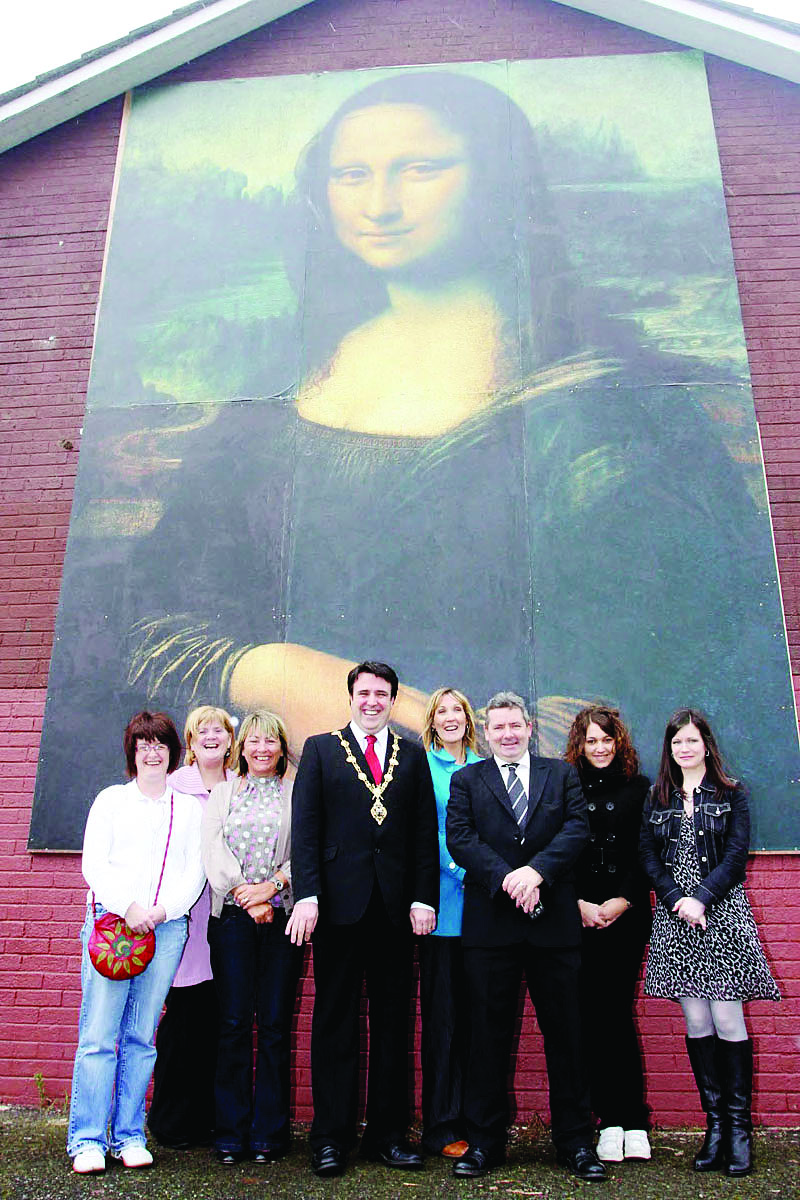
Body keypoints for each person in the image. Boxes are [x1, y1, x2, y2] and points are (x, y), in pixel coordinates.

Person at [286, 660, 439, 1178]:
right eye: (364, 693)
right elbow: (306, 830)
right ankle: (330, 1138)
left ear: (393, 700)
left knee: (393, 1023)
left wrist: (423, 899)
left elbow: (423, 833)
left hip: (395, 910)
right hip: (337, 908)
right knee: (335, 1021)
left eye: (381, 694)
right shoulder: (320, 749)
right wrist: (307, 896)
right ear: (350, 696)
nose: (372, 701)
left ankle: (387, 1136)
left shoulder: (412, 756)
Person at [446, 691, 605, 1182]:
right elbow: (461, 838)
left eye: (515, 725)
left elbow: (577, 829)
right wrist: (508, 878)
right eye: (498, 727)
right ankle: (484, 1143)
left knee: (568, 1037)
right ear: (486, 731)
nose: (508, 734)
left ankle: (576, 1143)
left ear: (529, 727)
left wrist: (536, 873)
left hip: (553, 926)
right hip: (490, 928)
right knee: (485, 1038)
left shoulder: (562, 774)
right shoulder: (466, 780)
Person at [640, 708, 779, 1177]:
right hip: (676, 916)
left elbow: (736, 857)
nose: (685, 748)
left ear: (706, 745)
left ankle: (739, 1130)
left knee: (727, 1016)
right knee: (697, 1019)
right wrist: (676, 899)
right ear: (670, 748)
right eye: (677, 741)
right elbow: (648, 855)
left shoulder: (732, 794)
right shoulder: (657, 797)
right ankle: (715, 1126)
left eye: (692, 740)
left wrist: (700, 898)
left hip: (721, 913)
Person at [67, 712, 204, 1175]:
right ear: (132, 751)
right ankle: (87, 1139)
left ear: (172, 752)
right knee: (99, 1035)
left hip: (165, 929)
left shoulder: (188, 809)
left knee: (141, 1037)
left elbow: (195, 871)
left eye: (160, 744)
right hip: (112, 926)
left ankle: (128, 1135)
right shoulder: (111, 801)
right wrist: (128, 907)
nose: (152, 752)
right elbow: (94, 864)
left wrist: (161, 912)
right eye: (143, 744)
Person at [201, 709, 302, 1164]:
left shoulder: (296, 793)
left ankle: (269, 1134)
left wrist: (273, 887)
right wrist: (246, 894)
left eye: (270, 741)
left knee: (275, 1025)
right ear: (242, 747)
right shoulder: (223, 793)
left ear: (281, 748)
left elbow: (307, 848)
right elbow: (212, 849)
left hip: (282, 920)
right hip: (232, 920)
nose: (262, 749)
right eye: (254, 741)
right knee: (234, 1023)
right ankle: (230, 1132)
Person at [564, 705, 652, 1162]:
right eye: (591, 740)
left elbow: (647, 852)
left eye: (606, 739)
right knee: (589, 1018)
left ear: (619, 742)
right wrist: (578, 902)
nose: (599, 748)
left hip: (625, 916)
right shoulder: (565, 786)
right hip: (579, 916)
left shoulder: (640, 788)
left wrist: (623, 900)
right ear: (579, 745)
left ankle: (633, 1120)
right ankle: (607, 1121)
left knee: (616, 1013)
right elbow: (559, 851)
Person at [148, 704, 236, 1149]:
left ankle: (209, 1118)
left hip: (229, 918)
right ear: (190, 739)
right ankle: (171, 1121)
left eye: (219, 730)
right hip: (184, 919)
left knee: (218, 1023)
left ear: (230, 740)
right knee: (182, 1024)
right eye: (203, 730)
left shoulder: (239, 785)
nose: (211, 736)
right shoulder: (173, 786)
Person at [419, 686, 482, 1158]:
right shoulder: (421, 768)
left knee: (478, 1021)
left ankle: (477, 1121)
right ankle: (442, 1126)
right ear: (432, 721)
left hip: (486, 914)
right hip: (442, 911)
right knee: (443, 1022)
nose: (450, 717)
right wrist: (465, 867)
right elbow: (426, 831)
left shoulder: (485, 765)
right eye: (441, 711)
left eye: (457, 709)